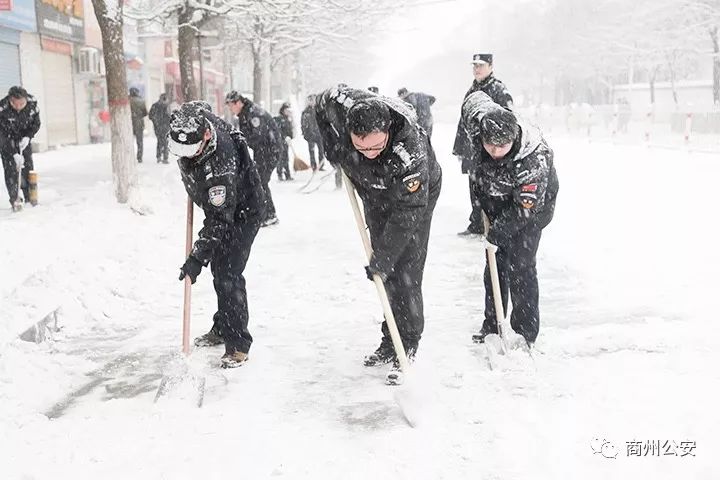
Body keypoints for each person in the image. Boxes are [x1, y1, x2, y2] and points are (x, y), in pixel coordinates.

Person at [315, 86, 442, 384]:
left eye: (375, 147)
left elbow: (409, 212)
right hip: (373, 193)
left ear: (386, 130)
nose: (369, 153)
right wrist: (331, 145)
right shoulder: (342, 106)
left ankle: (406, 345)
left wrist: (384, 258)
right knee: (387, 276)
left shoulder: (410, 152)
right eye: (362, 148)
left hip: (412, 198)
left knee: (404, 269)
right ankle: (390, 339)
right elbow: (322, 101)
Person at [170, 101, 266, 368]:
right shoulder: (193, 122)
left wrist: (196, 258)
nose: (185, 156)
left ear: (207, 136)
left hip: (243, 212)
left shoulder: (220, 163)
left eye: (191, 151)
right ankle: (223, 326)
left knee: (227, 273)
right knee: (221, 270)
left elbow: (219, 219)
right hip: (222, 209)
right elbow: (199, 106)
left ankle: (237, 345)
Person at [460, 91, 558, 348]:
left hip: (532, 207)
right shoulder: (479, 125)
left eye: (501, 147)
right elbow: (475, 100)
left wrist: (495, 233)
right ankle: (493, 324)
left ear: (513, 139)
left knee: (520, 266)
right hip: (496, 195)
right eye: (489, 146)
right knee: (494, 264)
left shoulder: (533, 159)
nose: (494, 152)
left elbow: (524, 210)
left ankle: (525, 332)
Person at [453, 53, 514, 236]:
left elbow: (509, 120)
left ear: (490, 66)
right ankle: (478, 223)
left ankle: (494, 224)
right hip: (472, 149)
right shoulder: (472, 90)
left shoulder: (498, 89)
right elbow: (463, 121)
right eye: (474, 66)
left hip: (491, 149)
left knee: (492, 188)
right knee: (475, 187)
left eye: (480, 65)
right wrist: (459, 147)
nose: (476, 69)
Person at [225, 91, 282, 227]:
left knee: (261, 181)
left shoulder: (253, 113)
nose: (230, 109)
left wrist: (240, 142)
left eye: (231, 106)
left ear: (238, 102)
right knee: (258, 181)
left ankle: (270, 215)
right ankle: (264, 213)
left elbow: (258, 136)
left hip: (269, 151)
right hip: (263, 151)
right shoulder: (245, 113)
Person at [0, 86, 40, 211]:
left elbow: (36, 124)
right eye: (15, 104)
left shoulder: (32, 106)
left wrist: (28, 137)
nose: (18, 107)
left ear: (25, 100)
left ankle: (30, 198)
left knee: (28, 168)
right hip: (7, 142)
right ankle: (15, 200)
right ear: (10, 100)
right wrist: (13, 153)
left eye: (21, 104)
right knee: (11, 171)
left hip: (24, 141)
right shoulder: (3, 109)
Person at [300, 95, 325, 171]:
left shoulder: (319, 110)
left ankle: (321, 165)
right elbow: (303, 124)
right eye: (310, 100)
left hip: (319, 134)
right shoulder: (306, 112)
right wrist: (305, 133)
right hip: (310, 134)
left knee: (321, 150)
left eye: (313, 100)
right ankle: (313, 165)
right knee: (312, 151)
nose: (312, 102)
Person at [273, 102, 294, 181]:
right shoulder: (279, 119)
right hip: (280, 142)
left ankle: (287, 174)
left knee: (286, 158)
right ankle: (280, 174)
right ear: (283, 110)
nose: (288, 112)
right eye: (287, 110)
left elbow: (290, 131)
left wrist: (290, 137)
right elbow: (278, 131)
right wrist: (284, 137)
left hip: (286, 142)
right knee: (281, 158)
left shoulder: (288, 119)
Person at [148, 93, 171, 164]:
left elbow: (150, 116)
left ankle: (159, 157)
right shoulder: (167, 106)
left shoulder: (155, 105)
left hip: (158, 127)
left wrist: (155, 121)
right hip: (165, 127)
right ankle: (165, 158)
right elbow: (170, 117)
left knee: (160, 141)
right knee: (165, 142)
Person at [129, 87, 148, 163]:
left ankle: (130, 156)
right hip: (139, 123)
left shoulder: (128, 101)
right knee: (139, 142)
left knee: (129, 141)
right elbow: (145, 113)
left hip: (129, 123)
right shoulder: (141, 101)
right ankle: (139, 157)